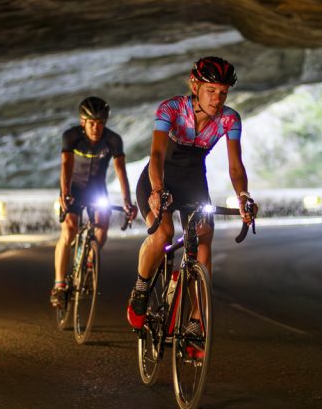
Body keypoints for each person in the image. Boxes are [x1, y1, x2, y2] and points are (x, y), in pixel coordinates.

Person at [126, 56, 257, 333]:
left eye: (223, 93)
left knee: (204, 237)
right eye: (211, 90)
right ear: (194, 84)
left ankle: (196, 321)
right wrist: (158, 191)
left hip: (194, 181)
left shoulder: (230, 119)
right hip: (159, 177)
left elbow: (235, 166)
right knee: (162, 234)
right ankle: (140, 288)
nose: (217, 99)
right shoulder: (171, 109)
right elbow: (157, 154)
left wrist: (243, 195)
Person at [52, 96, 136, 306]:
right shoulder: (71, 137)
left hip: (97, 190)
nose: (96, 128)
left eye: (100, 124)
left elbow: (121, 172)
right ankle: (59, 285)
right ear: (83, 122)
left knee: (103, 225)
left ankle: (90, 262)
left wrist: (127, 202)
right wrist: (64, 193)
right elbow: (66, 166)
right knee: (69, 230)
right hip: (74, 188)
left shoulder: (113, 140)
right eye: (91, 123)